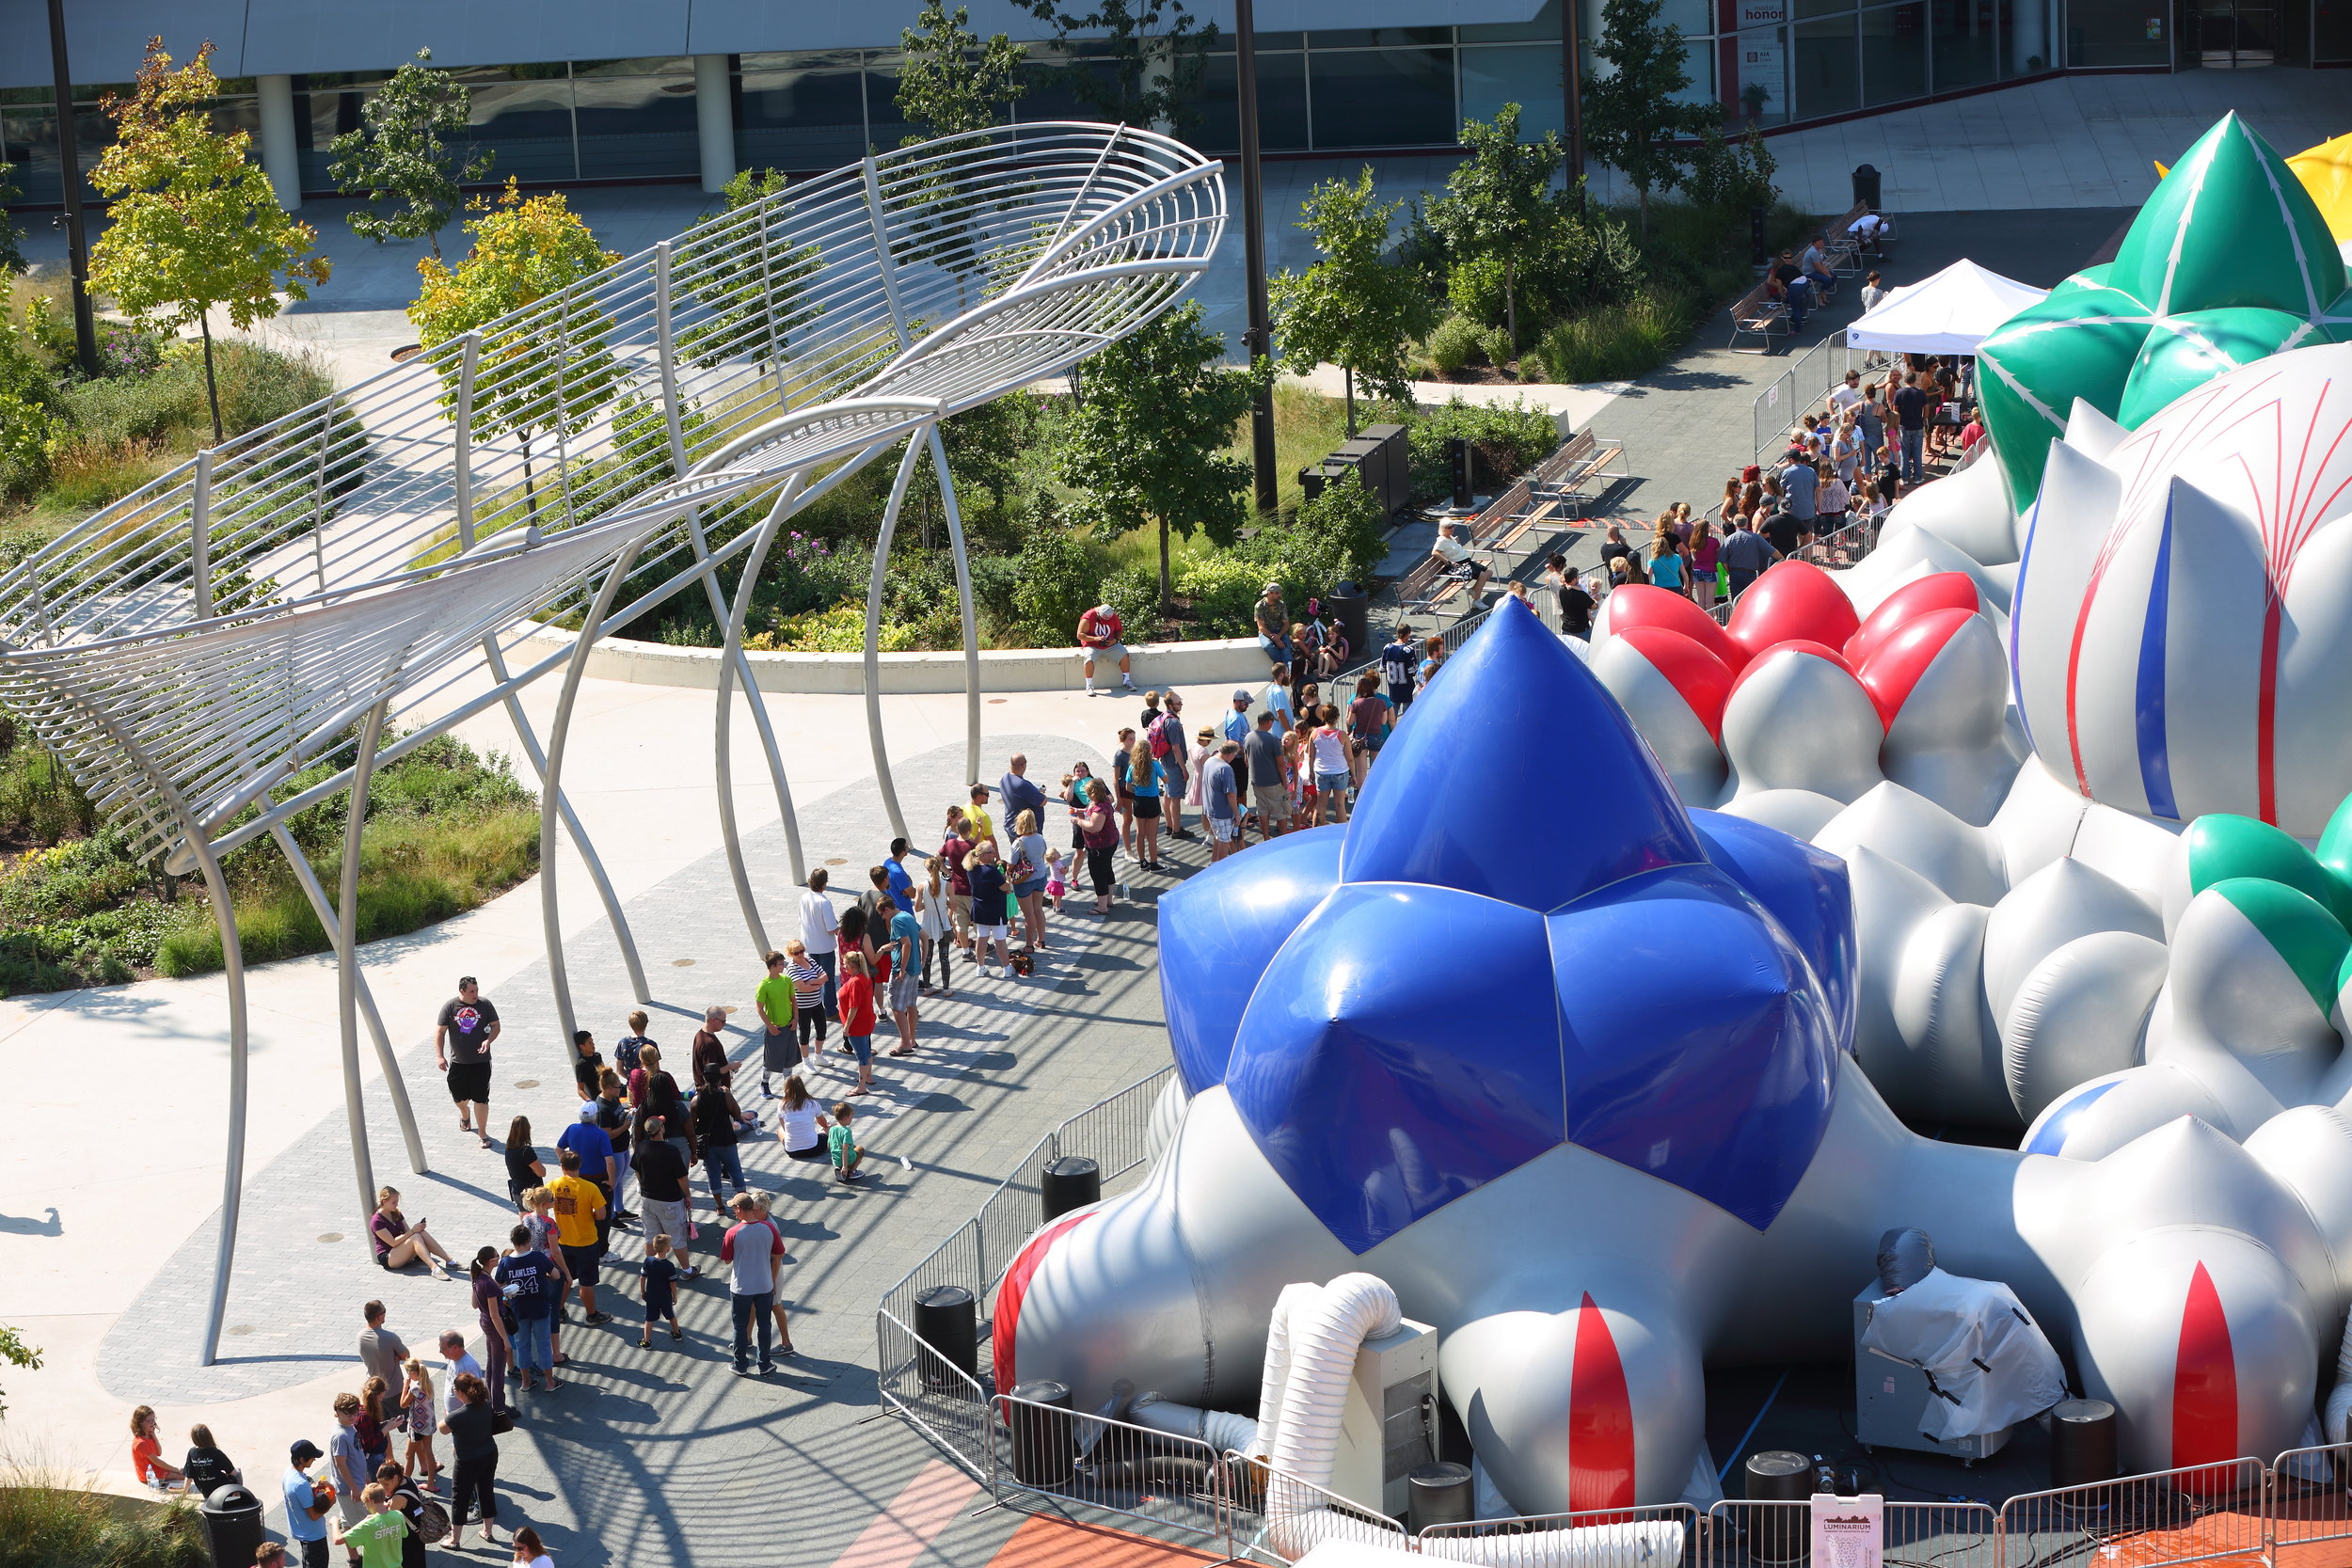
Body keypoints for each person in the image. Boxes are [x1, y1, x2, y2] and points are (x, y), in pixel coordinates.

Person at [721, 1191, 787, 1375]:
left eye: (734, 1207)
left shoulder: (732, 1232)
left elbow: (726, 1260)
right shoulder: (769, 1229)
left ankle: (740, 1365)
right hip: (764, 1285)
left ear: (739, 1209)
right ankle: (764, 1364)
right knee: (764, 1326)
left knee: (740, 1327)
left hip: (741, 1287)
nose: (733, 1211)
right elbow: (779, 1253)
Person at [545, 1148, 610, 1325]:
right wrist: (591, 1213)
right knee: (587, 1282)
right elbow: (602, 1215)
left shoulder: (553, 1185)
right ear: (579, 1165)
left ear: (561, 1166)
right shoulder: (590, 1188)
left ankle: (558, 1310)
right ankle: (591, 1315)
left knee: (566, 1277)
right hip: (586, 1242)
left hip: (563, 1242)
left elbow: (544, 1204)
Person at [434, 976, 500, 1150]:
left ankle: (483, 1134)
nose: (475, 994)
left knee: (481, 1098)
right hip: (459, 1063)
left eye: (477, 990)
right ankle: (464, 1112)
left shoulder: (485, 1005)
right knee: (459, 1096)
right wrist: (440, 1056)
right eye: (472, 991)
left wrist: (488, 1041)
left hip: (481, 1062)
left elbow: (496, 1026)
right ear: (462, 991)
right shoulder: (450, 1007)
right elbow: (440, 1032)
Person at [437, 1371, 500, 1548]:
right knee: (486, 1491)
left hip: (467, 1461)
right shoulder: (486, 1405)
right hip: (489, 1453)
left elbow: (442, 1428)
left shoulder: (458, 1415)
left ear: (460, 1392)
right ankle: (487, 1531)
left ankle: (454, 1539)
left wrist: (447, 1414)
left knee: (460, 1497)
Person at [494, 1225, 559, 1392]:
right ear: (528, 1240)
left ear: (513, 1242)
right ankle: (550, 1382)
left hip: (519, 1310)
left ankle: (526, 1381)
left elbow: (497, 1286)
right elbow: (556, 1275)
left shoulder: (506, 1262)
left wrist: (505, 1296)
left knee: (522, 1345)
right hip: (540, 1307)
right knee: (544, 1344)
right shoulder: (538, 1257)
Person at [631, 1115, 693, 1275]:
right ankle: (687, 1270)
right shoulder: (671, 1151)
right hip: (670, 1201)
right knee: (677, 1237)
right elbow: (681, 1177)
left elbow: (637, 1169)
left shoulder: (641, 1147)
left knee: (650, 1235)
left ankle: (650, 1267)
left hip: (647, 1199)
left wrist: (643, 1183)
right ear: (661, 1129)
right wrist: (687, 1195)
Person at [693, 1061, 753, 1209]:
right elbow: (737, 1113)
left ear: (705, 1078)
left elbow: (692, 1123)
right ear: (719, 1078)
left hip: (708, 1143)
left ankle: (719, 1206)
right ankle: (743, 1205)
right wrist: (728, 1094)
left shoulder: (697, 1099)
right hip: (726, 1140)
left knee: (713, 1174)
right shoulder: (725, 1096)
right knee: (735, 1171)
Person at [462, 1254, 515, 1416]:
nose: (499, 1259)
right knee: (499, 1367)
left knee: (492, 1363)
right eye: (497, 1257)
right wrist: (506, 1339)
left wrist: (501, 1296)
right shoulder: (489, 1284)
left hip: (485, 1323)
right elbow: (495, 1314)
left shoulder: (477, 1278)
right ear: (491, 1261)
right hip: (494, 1326)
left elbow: (474, 1304)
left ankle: (490, 1400)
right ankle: (499, 1407)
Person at [365, 1189, 453, 1281]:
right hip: (389, 1257)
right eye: (394, 1202)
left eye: (397, 1202)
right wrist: (413, 1231)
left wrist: (418, 1229)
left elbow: (407, 1231)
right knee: (415, 1236)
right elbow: (393, 1243)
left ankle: (450, 1261)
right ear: (384, 1202)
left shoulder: (396, 1213)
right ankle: (434, 1268)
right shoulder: (376, 1221)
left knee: (420, 1233)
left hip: (402, 1250)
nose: (397, 1205)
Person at [749, 1192, 798, 1354]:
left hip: (771, 1271)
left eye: (754, 1210)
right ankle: (746, 1338)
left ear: (764, 1210)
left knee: (776, 1305)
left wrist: (771, 1280)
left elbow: (776, 1258)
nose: (751, 1213)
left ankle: (786, 1343)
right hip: (762, 1270)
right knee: (753, 1305)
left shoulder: (770, 1227)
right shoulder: (759, 1222)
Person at [328, 1481, 410, 1568]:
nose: (366, 1507)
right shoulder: (398, 1515)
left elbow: (337, 1540)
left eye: (365, 1504)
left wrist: (334, 1523)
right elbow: (404, 1534)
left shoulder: (367, 1525)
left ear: (370, 1501)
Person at [964, 842, 1013, 981]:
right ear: (983, 855)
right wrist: (1008, 882)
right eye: (991, 852)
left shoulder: (971, 870)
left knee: (982, 938)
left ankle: (980, 967)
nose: (994, 854)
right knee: (1000, 940)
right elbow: (1004, 887)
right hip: (995, 909)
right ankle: (1006, 968)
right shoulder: (991, 871)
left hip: (980, 909)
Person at [754, 948, 800, 1098]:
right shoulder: (764, 985)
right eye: (781, 964)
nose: (783, 966)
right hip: (776, 1029)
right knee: (771, 1061)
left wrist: (795, 1019)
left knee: (789, 1059)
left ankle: (788, 1087)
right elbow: (759, 1008)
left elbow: (794, 1001)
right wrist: (770, 1026)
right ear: (773, 966)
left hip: (789, 1026)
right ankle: (764, 1083)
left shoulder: (786, 980)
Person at [284, 1439, 334, 1568]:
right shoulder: (300, 1484)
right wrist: (331, 1502)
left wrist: (313, 1487)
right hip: (314, 1537)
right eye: (312, 1458)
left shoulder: (289, 1474)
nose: (314, 1460)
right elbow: (314, 1515)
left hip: (304, 1533)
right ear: (301, 1460)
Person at [1148, 692, 1190, 839]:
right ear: (1171, 705)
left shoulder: (1163, 717)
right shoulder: (1173, 722)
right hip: (1174, 764)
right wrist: (1184, 769)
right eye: (1179, 703)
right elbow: (1176, 748)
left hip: (1165, 762)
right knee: (1176, 797)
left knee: (1167, 793)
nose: (1181, 705)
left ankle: (1169, 825)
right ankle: (1177, 830)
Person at [1242, 709, 1287, 843]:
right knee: (1281, 811)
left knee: (1262, 810)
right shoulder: (1272, 739)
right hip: (1273, 782)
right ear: (1268, 722)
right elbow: (1280, 764)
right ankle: (1284, 838)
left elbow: (1246, 759)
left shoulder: (1248, 737)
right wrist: (1285, 782)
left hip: (1257, 782)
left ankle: (1266, 838)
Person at [883, 894, 922, 1053]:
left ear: (886, 909)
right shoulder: (907, 915)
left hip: (902, 970)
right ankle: (911, 1040)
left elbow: (906, 944)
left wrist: (902, 968)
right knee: (911, 1004)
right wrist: (923, 958)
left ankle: (905, 1043)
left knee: (896, 1007)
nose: (883, 918)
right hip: (915, 967)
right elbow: (924, 936)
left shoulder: (895, 920)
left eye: (882, 914)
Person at [800, 868, 839, 1018]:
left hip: (809, 944)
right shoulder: (824, 902)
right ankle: (830, 1010)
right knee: (827, 978)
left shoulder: (804, 898)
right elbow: (831, 928)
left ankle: (815, 1006)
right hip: (825, 946)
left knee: (813, 977)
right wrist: (840, 928)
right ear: (824, 884)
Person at [1008, 809, 1049, 952]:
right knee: (1038, 909)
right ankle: (1041, 940)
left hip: (1024, 881)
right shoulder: (1040, 838)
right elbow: (1043, 853)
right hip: (1040, 876)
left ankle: (1029, 944)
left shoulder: (1018, 843)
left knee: (1028, 914)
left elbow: (1012, 863)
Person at [1123, 739, 1166, 870]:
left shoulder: (1132, 766)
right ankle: (1154, 863)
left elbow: (1128, 787)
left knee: (1140, 833)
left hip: (1138, 801)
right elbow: (1166, 779)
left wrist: (1137, 789)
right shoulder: (1154, 764)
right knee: (1152, 835)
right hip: (1152, 800)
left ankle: (1143, 862)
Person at [397, 1362, 439, 1492]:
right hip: (429, 1422)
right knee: (428, 1452)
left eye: (408, 1373)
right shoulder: (428, 1382)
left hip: (417, 1426)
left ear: (413, 1373)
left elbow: (403, 1404)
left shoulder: (415, 1388)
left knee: (409, 1455)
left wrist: (405, 1386)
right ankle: (431, 1484)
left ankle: (402, 1486)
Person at [1078, 777, 1120, 912]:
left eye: (1088, 793)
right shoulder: (1104, 801)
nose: (1087, 796)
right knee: (1107, 869)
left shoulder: (1100, 808)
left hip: (1100, 846)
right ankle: (1108, 900)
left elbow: (1094, 827)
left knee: (1098, 873)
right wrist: (1080, 812)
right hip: (1110, 841)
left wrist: (1077, 821)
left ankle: (1102, 907)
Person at [329, 1393, 369, 1531]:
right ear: (338, 1412)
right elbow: (341, 1464)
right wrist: (354, 1488)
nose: (353, 1417)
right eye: (348, 1414)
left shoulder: (350, 1427)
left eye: (355, 1413)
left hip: (357, 1484)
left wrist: (366, 1476)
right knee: (363, 1525)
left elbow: (357, 1454)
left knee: (348, 1522)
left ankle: (353, 1554)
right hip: (350, 1489)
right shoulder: (340, 1436)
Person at [915, 856, 953, 999]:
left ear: (928, 870)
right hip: (943, 922)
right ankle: (946, 989)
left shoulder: (922, 886)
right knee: (944, 957)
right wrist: (946, 902)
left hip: (927, 925)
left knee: (927, 956)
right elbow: (954, 906)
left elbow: (917, 908)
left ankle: (926, 987)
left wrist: (928, 905)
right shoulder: (947, 885)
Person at [939, 807, 976, 956]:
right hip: (972, 889)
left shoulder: (949, 844)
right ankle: (981, 947)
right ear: (969, 829)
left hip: (956, 887)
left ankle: (966, 952)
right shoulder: (973, 847)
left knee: (961, 923)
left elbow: (938, 859)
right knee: (977, 922)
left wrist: (948, 872)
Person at [1076, 602, 1133, 696]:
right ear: (1099, 614)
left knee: (1124, 654)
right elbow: (1080, 635)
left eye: (1108, 618)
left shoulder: (1113, 616)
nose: (1106, 619)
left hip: (1110, 644)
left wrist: (1115, 640)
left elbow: (1119, 631)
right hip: (1092, 644)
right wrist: (1095, 638)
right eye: (1104, 618)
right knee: (1089, 657)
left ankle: (1126, 680)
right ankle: (1089, 685)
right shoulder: (1088, 617)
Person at [637, 1231, 682, 1350]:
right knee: (670, 1315)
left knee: (649, 1318)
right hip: (665, 1296)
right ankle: (677, 1333)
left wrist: (642, 1291)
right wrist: (674, 1296)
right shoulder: (669, 1266)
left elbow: (642, 1277)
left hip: (651, 1296)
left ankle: (646, 1341)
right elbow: (672, 1283)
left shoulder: (648, 1261)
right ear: (668, 1249)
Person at [1309, 705, 1351, 825]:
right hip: (1340, 771)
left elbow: (1311, 756)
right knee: (1340, 804)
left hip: (1321, 771)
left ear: (1323, 717)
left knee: (1321, 805)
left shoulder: (1314, 733)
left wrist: (1311, 771)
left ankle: (1317, 831)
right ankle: (1340, 832)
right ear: (1337, 718)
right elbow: (1350, 758)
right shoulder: (1342, 735)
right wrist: (1354, 774)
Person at [1201, 739, 1243, 863]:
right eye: (1234, 756)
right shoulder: (1226, 769)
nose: (1234, 758)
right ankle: (1220, 868)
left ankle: (1214, 863)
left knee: (1218, 837)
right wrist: (1236, 814)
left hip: (1210, 810)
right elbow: (1230, 794)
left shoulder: (1210, 760)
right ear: (1229, 754)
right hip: (1222, 813)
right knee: (1224, 841)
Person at [775, 1075, 831, 1165]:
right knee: (830, 1127)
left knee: (779, 1130)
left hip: (792, 1151)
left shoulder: (782, 1105)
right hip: (814, 1148)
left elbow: (785, 1128)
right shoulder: (812, 1103)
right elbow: (823, 1124)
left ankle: (795, 1142)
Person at [1346, 673, 1389, 785]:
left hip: (1360, 736)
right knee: (1377, 767)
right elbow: (1383, 722)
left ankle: (1362, 795)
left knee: (1361, 770)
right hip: (1376, 735)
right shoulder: (1381, 702)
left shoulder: (1356, 703)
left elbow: (1350, 722)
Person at [437, 1329, 487, 1423]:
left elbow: (474, 1398)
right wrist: (447, 1409)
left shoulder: (468, 1367)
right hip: (454, 1416)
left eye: (443, 1349)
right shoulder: (453, 1358)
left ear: (455, 1348)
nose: (440, 1351)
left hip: (463, 1421)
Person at [358, 1300, 410, 1390]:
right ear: (379, 1316)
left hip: (373, 1389)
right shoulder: (390, 1337)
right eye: (384, 1311)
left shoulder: (359, 1336)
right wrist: (397, 1355)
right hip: (394, 1390)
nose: (385, 1314)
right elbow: (406, 1356)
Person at [1721, 515, 1777, 598]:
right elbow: (1772, 551)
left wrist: (1729, 572)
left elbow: (1723, 560)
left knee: (1736, 600)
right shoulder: (1755, 537)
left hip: (1734, 573)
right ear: (1747, 524)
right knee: (1749, 599)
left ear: (1735, 525)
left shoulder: (1729, 539)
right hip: (1750, 574)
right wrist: (1783, 559)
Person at [1429, 521, 1488, 602]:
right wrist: (1448, 561)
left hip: (1467, 561)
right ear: (1443, 529)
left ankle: (1473, 590)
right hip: (1460, 565)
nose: (1452, 528)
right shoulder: (1441, 541)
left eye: (1452, 526)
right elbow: (1434, 553)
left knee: (1489, 573)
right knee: (1483, 576)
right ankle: (1476, 601)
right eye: (1449, 527)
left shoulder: (1450, 538)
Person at [130, 1405, 185, 1491]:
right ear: (140, 1422)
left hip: (156, 1468)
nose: (152, 1423)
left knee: (183, 1472)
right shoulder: (141, 1443)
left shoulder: (149, 1435)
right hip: (148, 1474)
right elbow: (157, 1461)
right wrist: (176, 1469)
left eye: (153, 1420)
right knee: (182, 1476)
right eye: (149, 1421)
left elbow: (159, 1452)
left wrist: (154, 1436)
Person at [183, 1422, 242, 1495]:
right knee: (237, 1471)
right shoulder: (216, 1453)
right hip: (221, 1491)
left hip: (205, 1492)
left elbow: (189, 1476)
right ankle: (237, 1496)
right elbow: (233, 1473)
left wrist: (183, 1495)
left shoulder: (191, 1453)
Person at [1893, 371, 1931, 483]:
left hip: (1904, 426)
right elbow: (1927, 408)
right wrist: (1923, 420)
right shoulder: (1921, 393)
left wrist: (1897, 423)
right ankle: (1917, 477)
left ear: (1905, 380)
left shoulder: (1899, 392)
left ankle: (1904, 477)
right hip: (1918, 426)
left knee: (1904, 452)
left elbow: (1895, 410)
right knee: (1917, 452)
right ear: (1914, 380)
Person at [502, 1117, 545, 1213]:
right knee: (538, 1222)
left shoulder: (508, 1148)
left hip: (517, 1190)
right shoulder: (526, 1151)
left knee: (524, 1221)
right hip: (530, 1194)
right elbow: (541, 1172)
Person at [998, 753, 1048, 832]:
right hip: (1026, 831)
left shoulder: (1005, 779)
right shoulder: (1022, 785)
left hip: (1012, 826)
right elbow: (1043, 801)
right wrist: (1040, 794)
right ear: (1023, 765)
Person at [1378, 625, 1418, 713]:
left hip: (1393, 690)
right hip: (1407, 689)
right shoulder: (1408, 650)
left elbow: (1382, 668)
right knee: (1407, 718)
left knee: (1391, 719)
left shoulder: (1387, 648)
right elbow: (1413, 671)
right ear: (1408, 634)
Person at [1253, 583, 1290, 671]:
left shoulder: (1281, 604)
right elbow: (1261, 627)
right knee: (1268, 646)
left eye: (1280, 593)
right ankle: (1281, 668)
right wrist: (1275, 639)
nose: (1279, 595)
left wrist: (1279, 636)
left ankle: (1292, 673)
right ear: (1270, 593)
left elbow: (1286, 623)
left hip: (1279, 630)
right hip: (1266, 632)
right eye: (1277, 593)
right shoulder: (1260, 606)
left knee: (1286, 650)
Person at [828, 1101, 866, 1183]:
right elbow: (845, 1149)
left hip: (835, 1160)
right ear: (845, 1118)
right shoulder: (846, 1131)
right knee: (860, 1149)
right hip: (847, 1159)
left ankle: (841, 1168)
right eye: (851, 1117)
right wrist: (845, 1165)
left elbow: (829, 1145)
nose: (852, 1119)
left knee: (852, 1148)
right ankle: (852, 1171)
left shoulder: (832, 1129)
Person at [1690, 524, 1722, 612]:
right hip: (1711, 569)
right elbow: (1718, 555)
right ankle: (1710, 621)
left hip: (1697, 569)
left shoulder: (1694, 541)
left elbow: (1694, 557)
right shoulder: (1714, 541)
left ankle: (1701, 621)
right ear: (1707, 529)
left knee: (1701, 599)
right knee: (1710, 600)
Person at [613, 1009, 655, 1080]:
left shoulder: (623, 1042)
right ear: (646, 1024)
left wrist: (630, 1079)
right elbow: (656, 1069)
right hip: (647, 1085)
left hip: (631, 1085)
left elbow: (619, 1070)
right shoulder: (651, 1044)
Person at [1649, 532, 1687, 596]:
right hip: (1676, 588)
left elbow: (1649, 578)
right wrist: (1686, 586)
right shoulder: (1677, 557)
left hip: (1660, 588)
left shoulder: (1653, 561)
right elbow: (1685, 575)